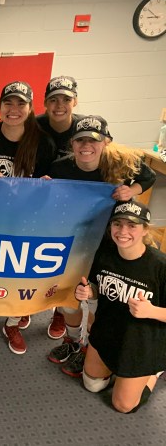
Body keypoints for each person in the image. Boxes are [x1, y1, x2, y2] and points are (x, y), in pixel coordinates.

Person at [46, 115, 156, 378]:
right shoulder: (61, 167)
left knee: (99, 299)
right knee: (69, 297)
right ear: (72, 144)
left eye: (94, 140)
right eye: (80, 140)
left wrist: (133, 190)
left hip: (110, 242)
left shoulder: (121, 163)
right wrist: (46, 187)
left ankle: (90, 347)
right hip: (74, 241)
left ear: (106, 143)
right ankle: (72, 341)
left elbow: (149, 176)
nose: (87, 146)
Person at [0, 81, 57, 360]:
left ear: (31, 109)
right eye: (9, 103)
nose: (14, 109)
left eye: (21, 104)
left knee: (20, 278)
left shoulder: (43, 143)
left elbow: (48, 189)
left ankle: (11, 323)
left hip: (24, 223)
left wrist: (45, 186)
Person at [75, 200, 166, 413]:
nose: (123, 231)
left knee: (123, 405)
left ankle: (155, 370)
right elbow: (99, 289)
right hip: (108, 330)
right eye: (118, 224)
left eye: (132, 225)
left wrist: (151, 311)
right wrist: (89, 293)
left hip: (142, 340)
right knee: (92, 385)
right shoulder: (103, 255)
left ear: (145, 230)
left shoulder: (160, 266)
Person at [36, 76, 85, 341]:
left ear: (74, 102)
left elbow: (110, 158)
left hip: (74, 207)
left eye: (65, 99)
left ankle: (58, 309)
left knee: (65, 261)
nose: (59, 105)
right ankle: (27, 305)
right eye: (53, 99)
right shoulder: (36, 126)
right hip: (40, 204)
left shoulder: (85, 127)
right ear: (45, 103)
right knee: (36, 258)